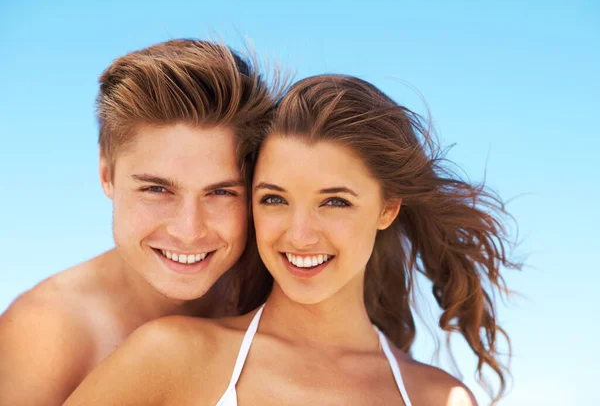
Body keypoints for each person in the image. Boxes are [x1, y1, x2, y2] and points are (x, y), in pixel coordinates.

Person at [64, 74, 518, 405]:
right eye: (274, 199)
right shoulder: (173, 356)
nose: (299, 235)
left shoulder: (438, 398)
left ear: (387, 208)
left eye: (335, 202)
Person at [0, 39, 280, 405]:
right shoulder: (45, 335)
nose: (189, 230)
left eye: (222, 192)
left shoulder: (278, 290)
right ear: (107, 174)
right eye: (157, 189)